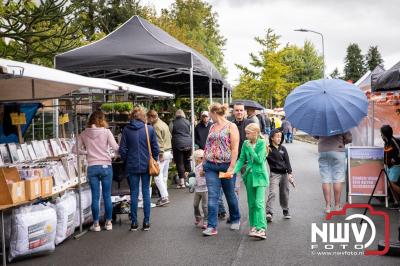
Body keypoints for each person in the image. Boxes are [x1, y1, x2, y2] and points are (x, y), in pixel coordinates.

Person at [74, 110, 119, 232]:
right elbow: (116, 148)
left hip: (92, 167)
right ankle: (108, 223)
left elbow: (74, 150)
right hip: (106, 166)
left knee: (95, 196)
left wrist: (86, 152)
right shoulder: (106, 132)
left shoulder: (83, 133)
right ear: (102, 120)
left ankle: (96, 224)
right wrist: (114, 154)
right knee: (107, 195)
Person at [202, 103, 241, 236]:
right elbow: (207, 146)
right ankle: (212, 226)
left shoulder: (231, 126)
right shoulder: (212, 127)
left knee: (230, 194)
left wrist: (231, 167)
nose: (209, 117)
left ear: (214, 113)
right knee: (213, 195)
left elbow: (235, 148)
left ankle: (235, 218)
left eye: (210, 114)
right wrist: (203, 164)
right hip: (211, 166)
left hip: (226, 166)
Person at [119, 107, 159, 231]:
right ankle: (146, 222)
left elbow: (122, 149)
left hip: (131, 165)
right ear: (143, 117)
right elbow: (155, 148)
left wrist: (126, 160)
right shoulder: (150, 129)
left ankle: (134, 223)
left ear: (131, 116)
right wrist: (154, 159)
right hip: (147, 165)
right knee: (146, 192)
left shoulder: (126, 130)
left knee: (134, 193)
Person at [234, 123, 269, 239]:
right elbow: (241, 160)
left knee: (259, 203)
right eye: (246, 133)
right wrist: (233, 172)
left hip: (260, 176)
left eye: (248, 133)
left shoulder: (262, 143)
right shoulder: (245, 143)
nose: (246, 135)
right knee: (252, 203)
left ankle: (261, 229)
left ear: (255, 133)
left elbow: (259, 160)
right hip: (249, 176)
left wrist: (250, 148)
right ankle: (253, 226)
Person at [317, 131, 352, 213]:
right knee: (337, 178)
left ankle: (328, 206)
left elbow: (316, 135)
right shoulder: (341, 121)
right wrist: (343, 141)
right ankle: (337, 206)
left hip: (323, 151)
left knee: (325, 179)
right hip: (337, 150)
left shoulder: (320, 120)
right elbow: (349, 138)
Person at [266, 129, 293, 221]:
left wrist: (290, 174)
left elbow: (287, 162)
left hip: (284, 174)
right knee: (272, 192)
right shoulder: (268, 148)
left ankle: (285, 210)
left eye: (280, 137)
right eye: (277, 136)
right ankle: (269, 212)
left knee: (284, 193)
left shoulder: (283, 148)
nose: (279, 138)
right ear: (272, 137)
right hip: (274, 174)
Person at [147, 110, 172, 206]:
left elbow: (158, 142)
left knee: (157, 176)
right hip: (168, 151)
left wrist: (160, 153)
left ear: (151, 117)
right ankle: (163, 196)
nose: (148, 120)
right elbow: (169, 136)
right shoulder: (163, 124)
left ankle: (164, 197)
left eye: (148, 118)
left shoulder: (156, 126)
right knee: (164, 176)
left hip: (162, 153)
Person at [170, 109, 192, 188]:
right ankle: (190, 181)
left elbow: (170, 133)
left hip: (177, 144)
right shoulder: (188, 122)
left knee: (180, 163)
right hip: (188, 143)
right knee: (187, 161)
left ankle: (182, 182)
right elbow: (190, 132)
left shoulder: (172, 122)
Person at [381, 125, 400, 198]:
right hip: (388, 166)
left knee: (391, 184)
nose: (381, 135)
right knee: (389, 184)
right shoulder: (386, 142)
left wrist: (394, 159)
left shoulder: (393, 141)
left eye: (381, 133)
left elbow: (399, 151)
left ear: (385, 134)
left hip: (395, 166)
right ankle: (396, 202)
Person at [193, 149, 208, 229]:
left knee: (204, 206)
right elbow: (195, 175)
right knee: (195, 205)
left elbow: (208, 172)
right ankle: (198, 217)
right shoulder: (196, 166)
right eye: (200, 157)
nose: (202, 159)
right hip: (197, 189)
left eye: (202, 157)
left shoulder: (204, 165)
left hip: (205, 189)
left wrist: (205, 172)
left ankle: (206, 220)